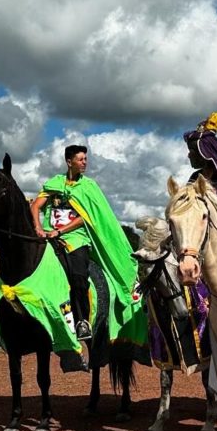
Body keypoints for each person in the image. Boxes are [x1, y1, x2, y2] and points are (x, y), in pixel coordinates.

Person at [30, 145, 144, 346]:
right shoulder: (54, 183)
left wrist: (60, 231)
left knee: (79, 276)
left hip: (76, 239)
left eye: (85, 159)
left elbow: (86, 217)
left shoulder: (89, 187)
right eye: (80, 159)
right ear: (69, 162)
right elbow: (36, 206)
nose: (85, 162)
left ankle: (82, 320)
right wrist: (38, 227)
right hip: (48, 236)